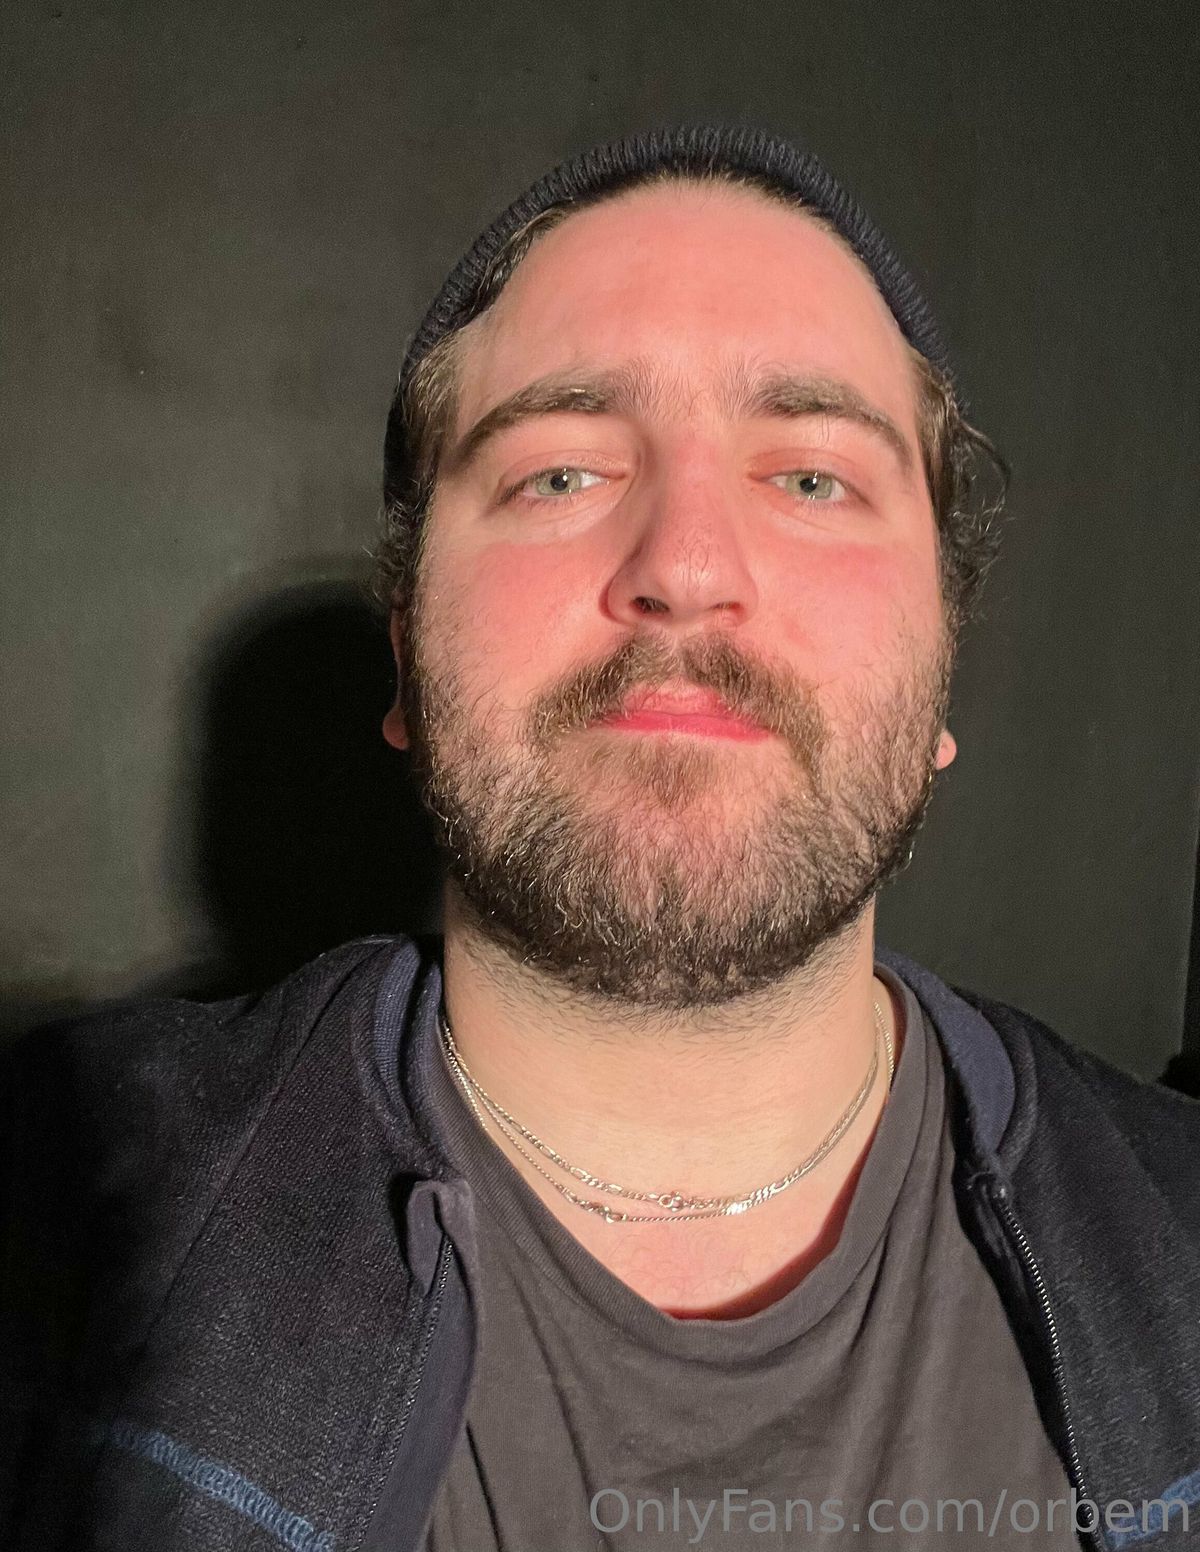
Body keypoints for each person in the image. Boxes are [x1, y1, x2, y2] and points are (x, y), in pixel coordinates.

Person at [3, 126, 1199, 1552]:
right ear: (409, 660)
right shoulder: (55, 1219)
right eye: (561, 473)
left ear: (941, 673)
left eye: (812, 478)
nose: (685, 565)